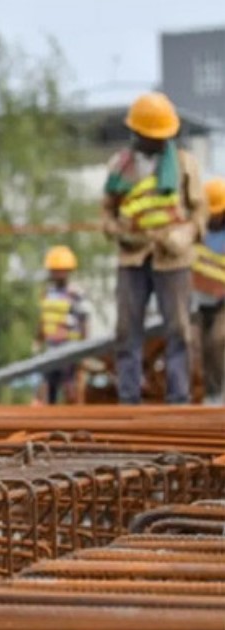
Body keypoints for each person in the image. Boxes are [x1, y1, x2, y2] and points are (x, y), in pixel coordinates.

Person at [102, 92, 207, 404]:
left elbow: (199, 210)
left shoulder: (185, 165)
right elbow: (107, 210)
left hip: (173, 259)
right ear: (139, 134)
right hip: (133, 256)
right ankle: (128, 397)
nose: (161, 142)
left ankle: (179, 398)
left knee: (178, 330)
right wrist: (113, 228)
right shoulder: (120, 167)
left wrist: (187, 234)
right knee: (126, 331)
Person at [35, 245, 89, 405]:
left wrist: (84, 350)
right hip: (51, 350)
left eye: (62, 270)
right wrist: (38, 341)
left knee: (70, 389)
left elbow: (84, 320)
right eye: (55, 270)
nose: (58, 274)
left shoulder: (76, 293)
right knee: (48, 389)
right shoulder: (48, 293)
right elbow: (43, 320)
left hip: (70, 350)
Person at [192, 178, 225, 405]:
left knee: (218, 339)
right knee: (200, 347)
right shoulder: (196, 232)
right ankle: (212, 395)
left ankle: (220, 393)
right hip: (201, 301)